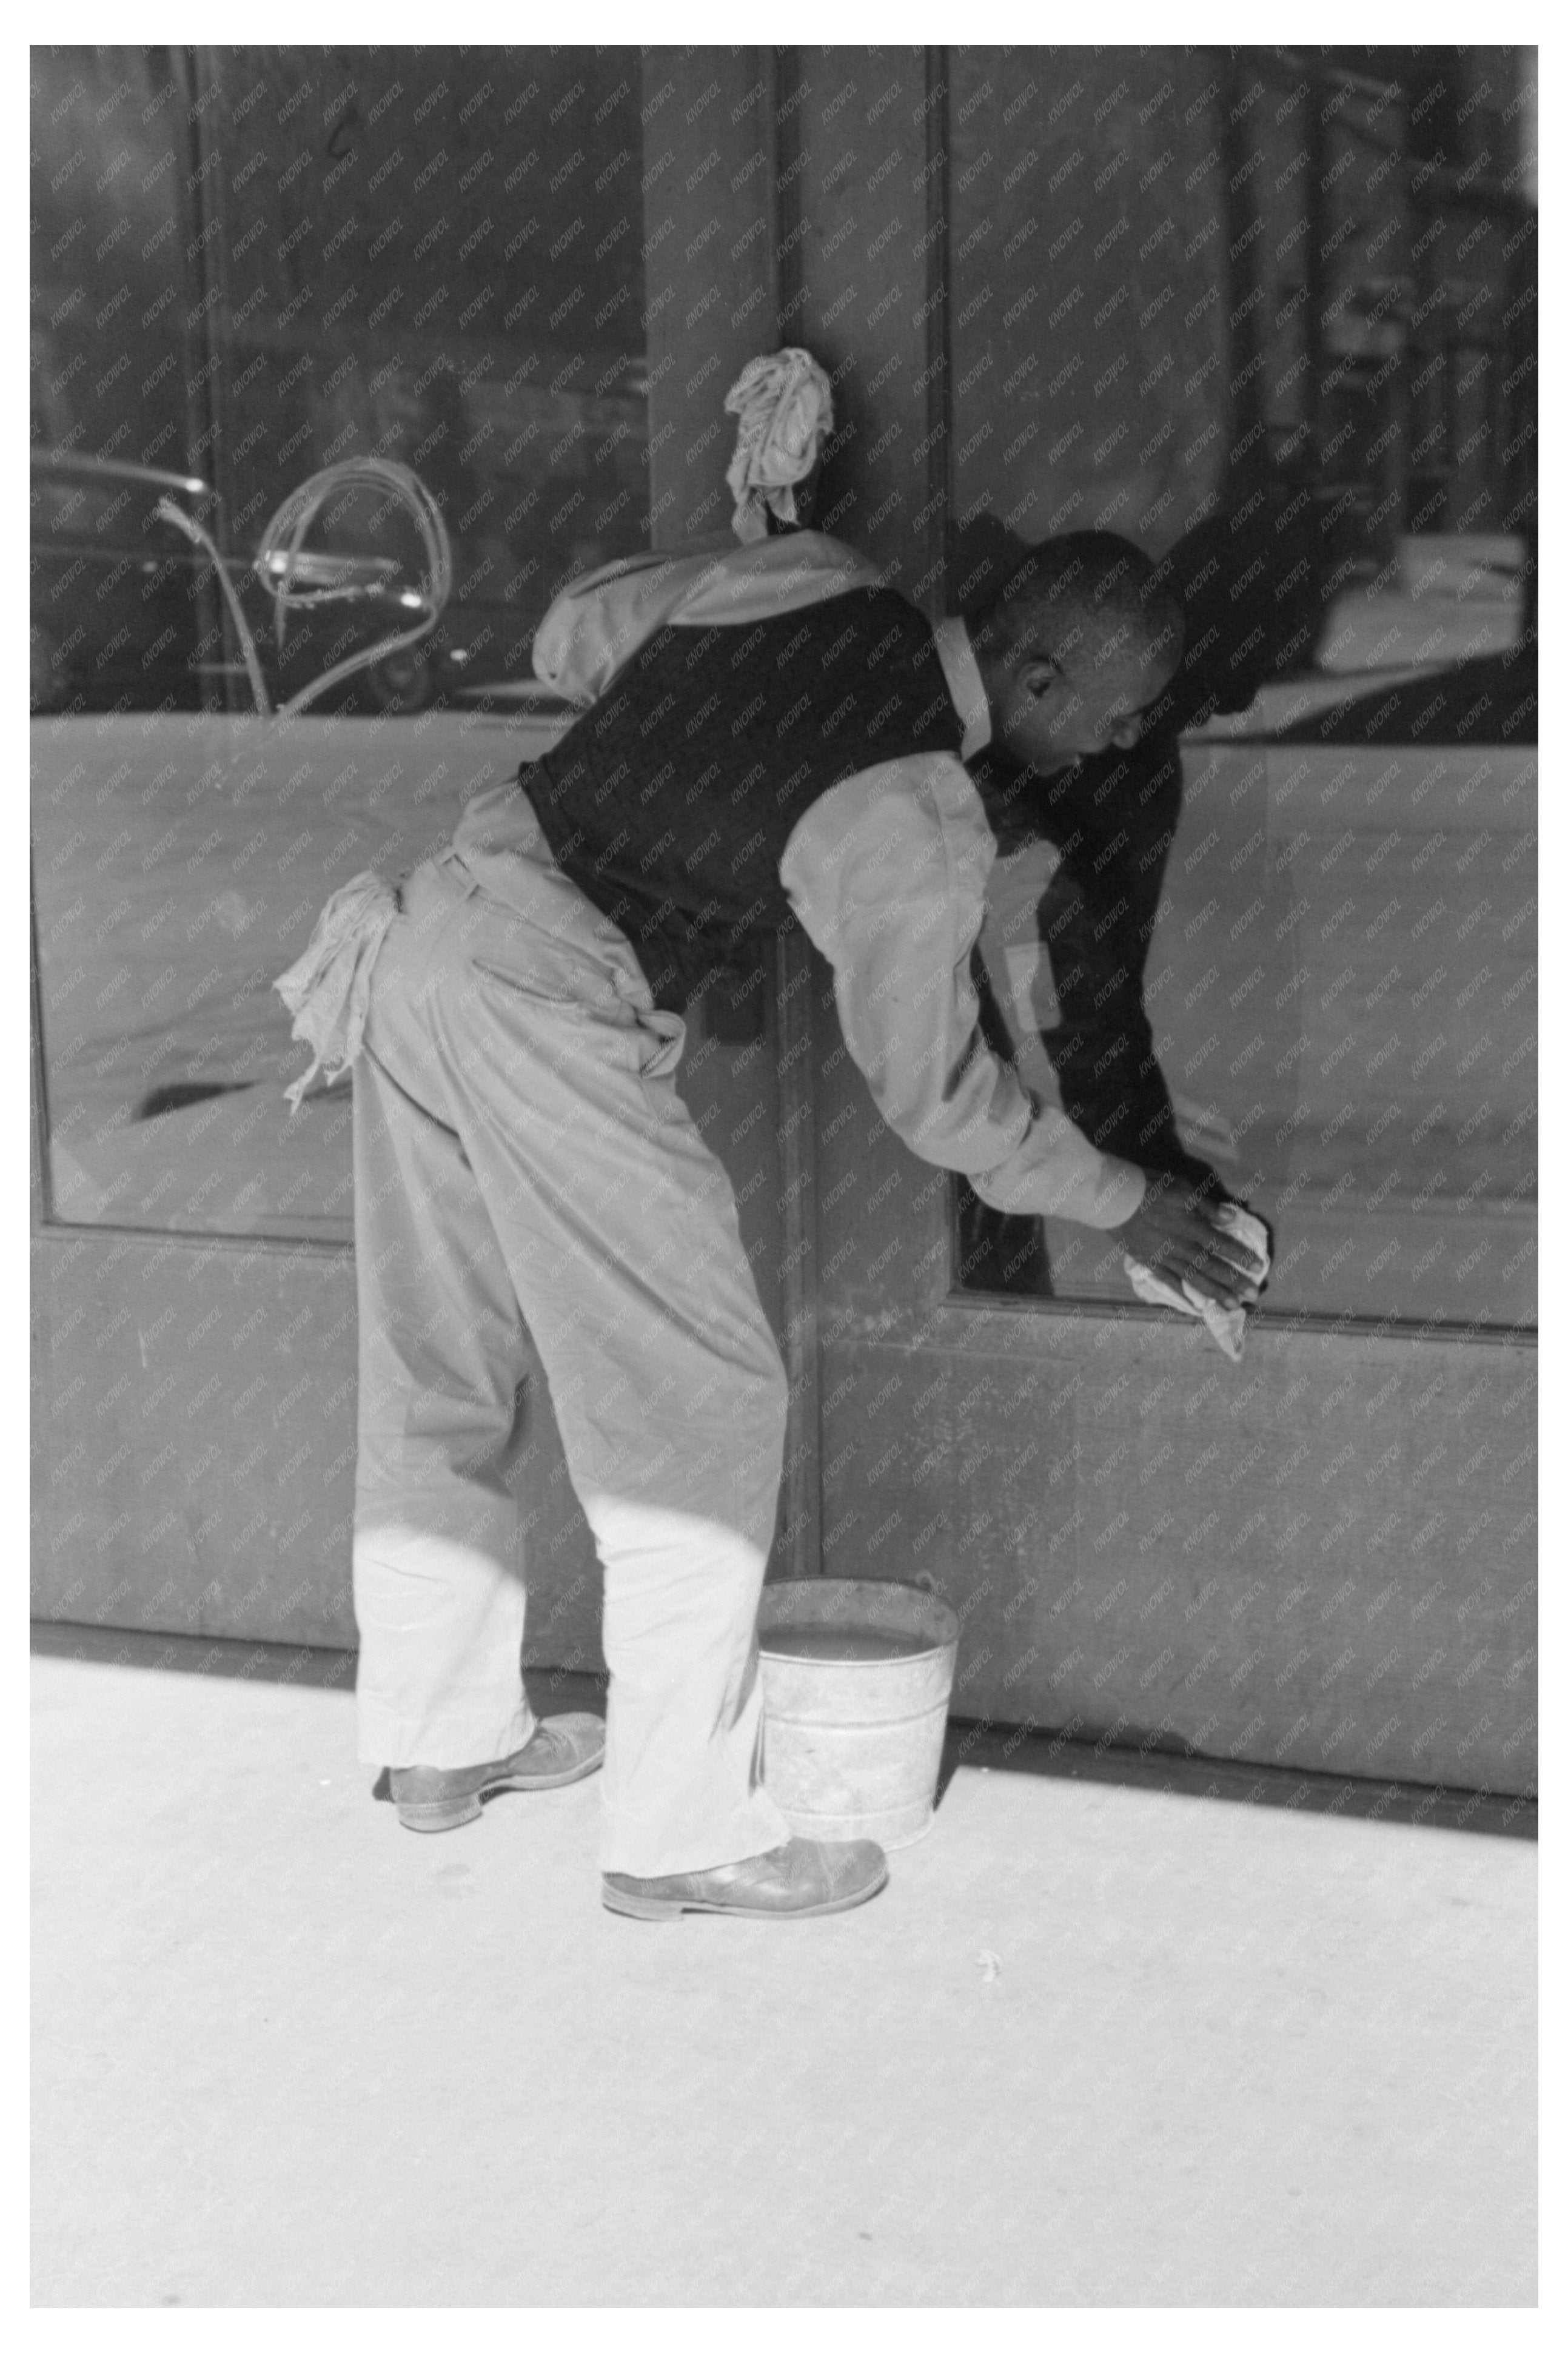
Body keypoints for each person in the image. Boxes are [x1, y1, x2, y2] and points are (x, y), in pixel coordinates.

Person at [275, 356, 1259, 1925]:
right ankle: (681, 1837)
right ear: (1040, 676)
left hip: (427, 939)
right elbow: (940, 1104)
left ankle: (438, 1748)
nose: (1120, 753)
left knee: (440, 1365)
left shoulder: (804, 578)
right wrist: (1123, 1201)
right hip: (548, 996)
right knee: (700, 1407)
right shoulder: (914, 817)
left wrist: (724, 628)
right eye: (1120, 719)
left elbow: (569, 635)